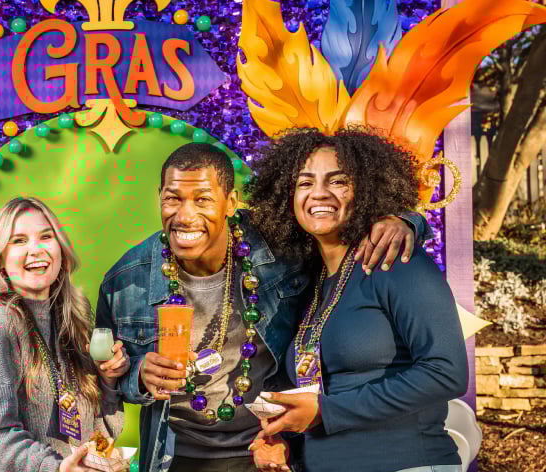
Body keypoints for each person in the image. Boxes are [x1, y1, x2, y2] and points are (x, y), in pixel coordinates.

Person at [94, 143, 430, 472]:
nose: (185, 216)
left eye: (203, 200)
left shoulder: (278, 246)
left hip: (271, 448)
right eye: (172, 199)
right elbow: (106, 385)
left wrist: (404, 221)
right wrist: (138, 377)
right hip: (172, 454)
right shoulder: (124, 282)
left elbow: (338, 219)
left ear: (231, 202)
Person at [247, 128, 468, 472]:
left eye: (338, 182)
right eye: (304, 183)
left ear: (366, 190)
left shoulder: (396, 263)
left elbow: (446, 372)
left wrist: (325, 411)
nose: (319, 194)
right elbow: (323, 389)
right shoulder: (309, 284)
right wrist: (283, 439)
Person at [0, 197, 131, 472]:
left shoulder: (71, 321)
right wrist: (55, 468)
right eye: (18, 241)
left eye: (45, 237)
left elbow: (98, 435)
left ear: (61, 251)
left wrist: (108, 381)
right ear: (0, 259)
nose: (35, 250)